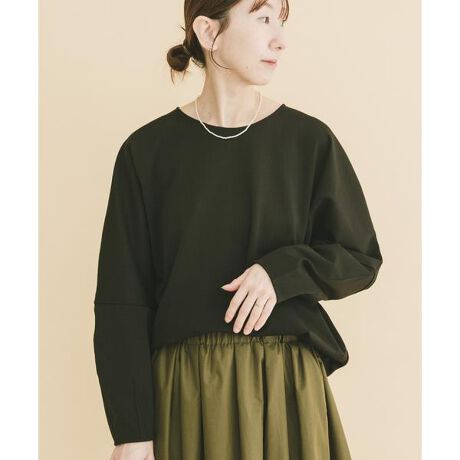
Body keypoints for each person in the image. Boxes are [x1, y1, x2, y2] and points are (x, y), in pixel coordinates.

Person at [93, 0, 383, 459]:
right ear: (209, 32)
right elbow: (122, 301)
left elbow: (360, 256)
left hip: (286, 387)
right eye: (263, 18)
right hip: (187, 392)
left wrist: (281, 272)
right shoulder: (147, 153)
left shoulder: (308, 142)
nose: (280, 40)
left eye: (281, 22)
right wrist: (132, 431)